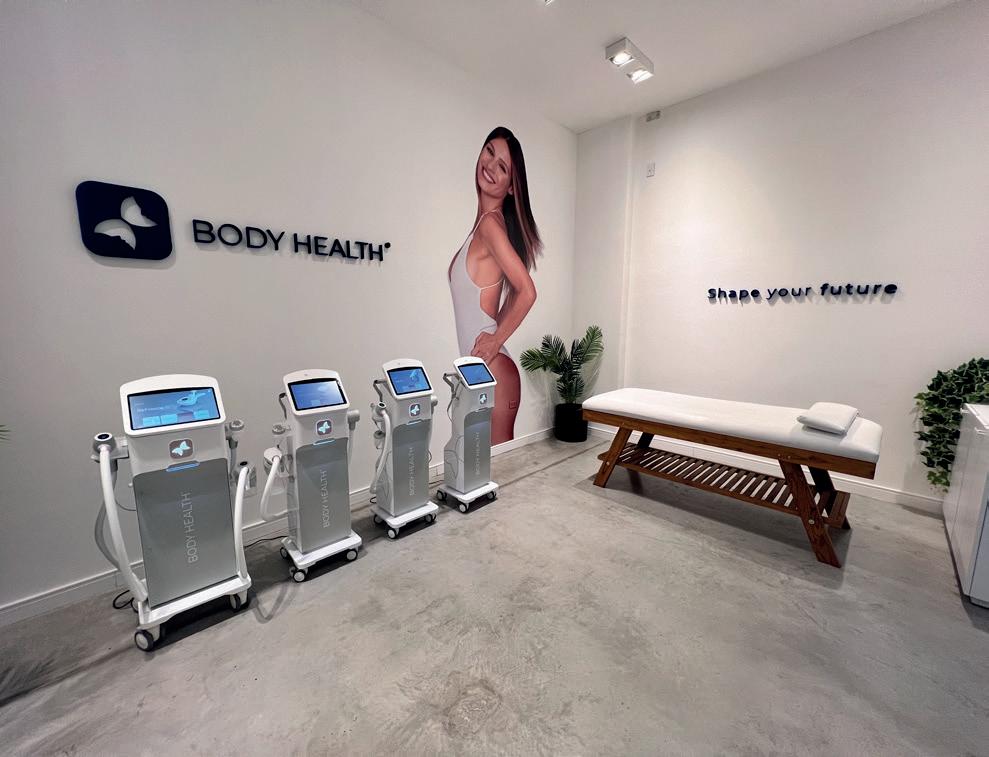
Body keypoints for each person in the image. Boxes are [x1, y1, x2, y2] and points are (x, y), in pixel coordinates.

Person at [448, 126, 541, 444]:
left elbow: (527, 291)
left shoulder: (490, 226)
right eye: (489, 151)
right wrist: (492, 335)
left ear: (511, 186)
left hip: (495, 371)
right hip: (481, 369)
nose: (490, 165)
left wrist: (495, 339)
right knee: (478, 467)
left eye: (502, 167)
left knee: (499, 469)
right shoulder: (482, 226)